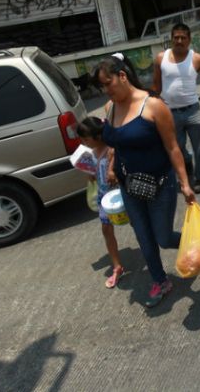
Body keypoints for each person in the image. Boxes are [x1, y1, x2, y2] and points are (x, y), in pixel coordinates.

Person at [94, 52, 196, 307]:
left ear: (122, 76)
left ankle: (195, 243)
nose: (106, 90)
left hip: (161, 185)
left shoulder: (153, 106)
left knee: (162, 237)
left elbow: (173, 147)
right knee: (143, 237)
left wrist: (184, 183)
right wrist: (112, 168)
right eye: (101, 86)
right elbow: (115, 144)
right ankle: (161, 281)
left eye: (108, 83)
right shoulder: (110, 108)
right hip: (130, 186)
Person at [151, 23, 200, 194]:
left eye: (183, 37)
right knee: (178, 147)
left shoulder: (197, 59)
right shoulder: (161, 58)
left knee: (199, 146)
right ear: (171, 39)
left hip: (193, 111)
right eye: (176, 37)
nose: (179, 41)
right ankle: (187, 165)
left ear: (189, 40)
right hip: (170, 113)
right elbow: (156, 86)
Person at [76, 117, 125, 288]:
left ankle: (150, 253)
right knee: (106, 228)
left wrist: (112, 168)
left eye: (86, 139)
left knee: (137, 224)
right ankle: (117, 265)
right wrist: (90, 174)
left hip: (121, 195)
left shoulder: (112, 150)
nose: (84, 142)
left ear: (98, 136)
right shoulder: (91, 153)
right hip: (104, 197)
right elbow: (94, 175)